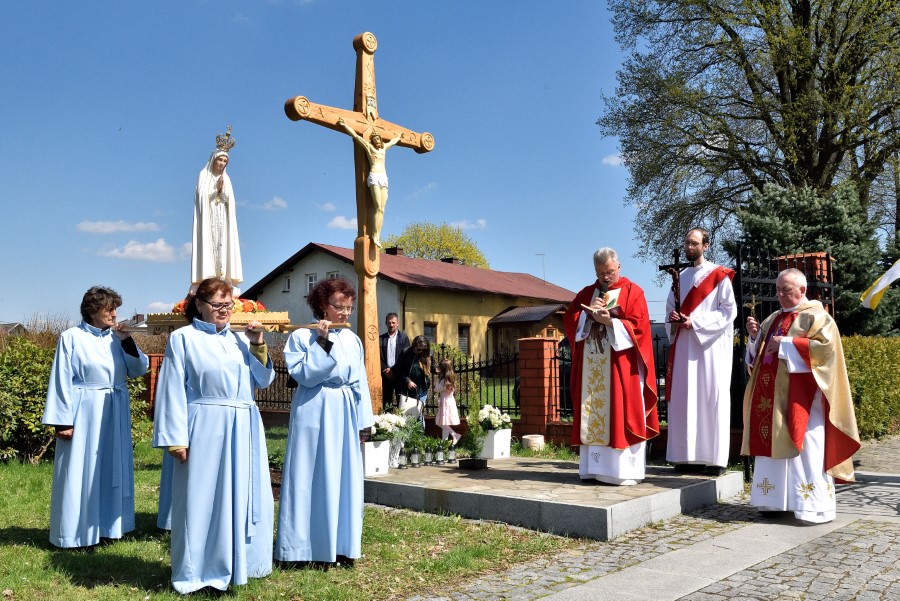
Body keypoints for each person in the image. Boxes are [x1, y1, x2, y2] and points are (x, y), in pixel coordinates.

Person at [152, 277, 274, 594]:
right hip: (203, 425)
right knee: (200, 498)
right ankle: (197, 571)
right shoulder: (183, 338)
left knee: (241, 495)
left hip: (243, 425)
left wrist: (258, 344)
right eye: (218, 304)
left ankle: (239, 565)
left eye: (228, 304)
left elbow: (262, 380)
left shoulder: (240, 339)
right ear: (200, 305)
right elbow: (171, 388)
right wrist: (176, 438)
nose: (224, 310)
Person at [743, 268, 860, 523]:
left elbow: (826, 352)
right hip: (772, 399)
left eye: (786, 290)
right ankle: (774, 502)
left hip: (804, 399)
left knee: (808, 447)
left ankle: (814, 506)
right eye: (778, 290)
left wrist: (786, 345)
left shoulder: (818, 317)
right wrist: (754, 338)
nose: (780, 295)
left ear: (802, 290)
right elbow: (758, 356)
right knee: (773, 444)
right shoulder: (773, 318)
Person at [275, 277, 375, 568]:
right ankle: (305, 547)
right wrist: (322, 342)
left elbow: (360, 381)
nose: (345, 313)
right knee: (311, 474)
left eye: (349, 308)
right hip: (314, 408)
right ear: (322, 304)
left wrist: (364, 421)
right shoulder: (301, 336)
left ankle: (341, 544)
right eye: (339, 307)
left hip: (344, 409)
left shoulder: (353, 339)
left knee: (343, 476)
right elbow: (305, 376)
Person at [42, 286, 149, 548]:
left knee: (111, 467)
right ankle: (76, 532)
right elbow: (61, 379)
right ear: (93, 311)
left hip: (114, 410)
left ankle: (108, 527)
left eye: (115, 309)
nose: (115, 314)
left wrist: (127, 340)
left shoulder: (117, 338)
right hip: (84, 412)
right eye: (109, 309)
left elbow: (138, 369)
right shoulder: (71, 337)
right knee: (82, 469)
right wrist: (63, 421)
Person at [563, 248, 660, 485]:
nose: (605, 277)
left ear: (618, 266)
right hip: (593, 366)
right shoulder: (587, 292)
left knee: (620, 411)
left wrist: (611, 322)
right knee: (593, 412)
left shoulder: (633, 291)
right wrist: (586, 315)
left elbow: (640, 328)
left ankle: (622, 472)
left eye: (609, 272)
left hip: (621, 368)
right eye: (599, 273)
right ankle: (593, 469)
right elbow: (570, 319)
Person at [665, 228, 737, 475]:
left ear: (706, 246)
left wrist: (694, 322)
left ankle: (714, 459)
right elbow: (670, 309)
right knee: (684, 399)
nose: (689, 247)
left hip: (709, 349)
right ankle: (684, 457)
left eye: (694, 243)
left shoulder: (719, 275)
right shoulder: (680, 277)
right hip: (684, 348)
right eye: (687, 242)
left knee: (710, 399)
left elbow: (728, 311)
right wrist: (674, 319)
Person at [192, 127, 242, 293]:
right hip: (209, 218)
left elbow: (230, 200)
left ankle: (224, 280)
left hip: (222, 218)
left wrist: (223, 191)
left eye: (225, 161)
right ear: (213, 159)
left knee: (223, 246)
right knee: (210, 244)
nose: (221, 163)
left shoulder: (226, 178)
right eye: (220, 160)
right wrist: (216, 190)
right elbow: (201, 197)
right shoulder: (204, 175)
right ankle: (207, 278)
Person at [337, 117, 402, 248]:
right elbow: (356, 136)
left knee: (382, 209)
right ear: (372, 140)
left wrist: (399, 136)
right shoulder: (369, 148)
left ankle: (378, 234)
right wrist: (344, 125)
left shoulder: (383, 149)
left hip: (384, 178)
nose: (377, 140)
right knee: (377, 206)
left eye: (378, 138)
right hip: (374, 177)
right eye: (375, 139)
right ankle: (374, 235)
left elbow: (393, 141)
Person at [394, 335, 432, 420]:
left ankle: (420, 429)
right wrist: (408, 381)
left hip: (422, 390)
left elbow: (432, 367)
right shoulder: (405, 352)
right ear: (414, 346)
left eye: (423, 349)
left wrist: (438, 369)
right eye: (419, 349)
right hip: (407, 390)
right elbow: (399, 369)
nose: (421, 351)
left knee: (419, 414)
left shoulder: (427, 354)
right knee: (406, 414)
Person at [379, 312, 410, 410]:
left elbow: (405, 357)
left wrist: (393, 370)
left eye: (393, 323)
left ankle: (401, 419)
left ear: (398, 323)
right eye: (389, 323)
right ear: (386, 323)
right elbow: (378, 356)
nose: (391, 325)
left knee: (401, 401)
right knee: (386, 401)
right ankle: (387, 418)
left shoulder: (404, 338)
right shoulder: (381, 339)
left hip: (399, 375)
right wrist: (385, 369)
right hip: (386, 375)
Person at [434, 358, 461, 445]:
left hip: (445, 402)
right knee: (443, 422)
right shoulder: (450, 378)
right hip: (448, 402)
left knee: (442, 423)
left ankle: (453, 435)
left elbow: (436, 389)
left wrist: (437, 378)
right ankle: (446, 441)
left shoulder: (443, 380)